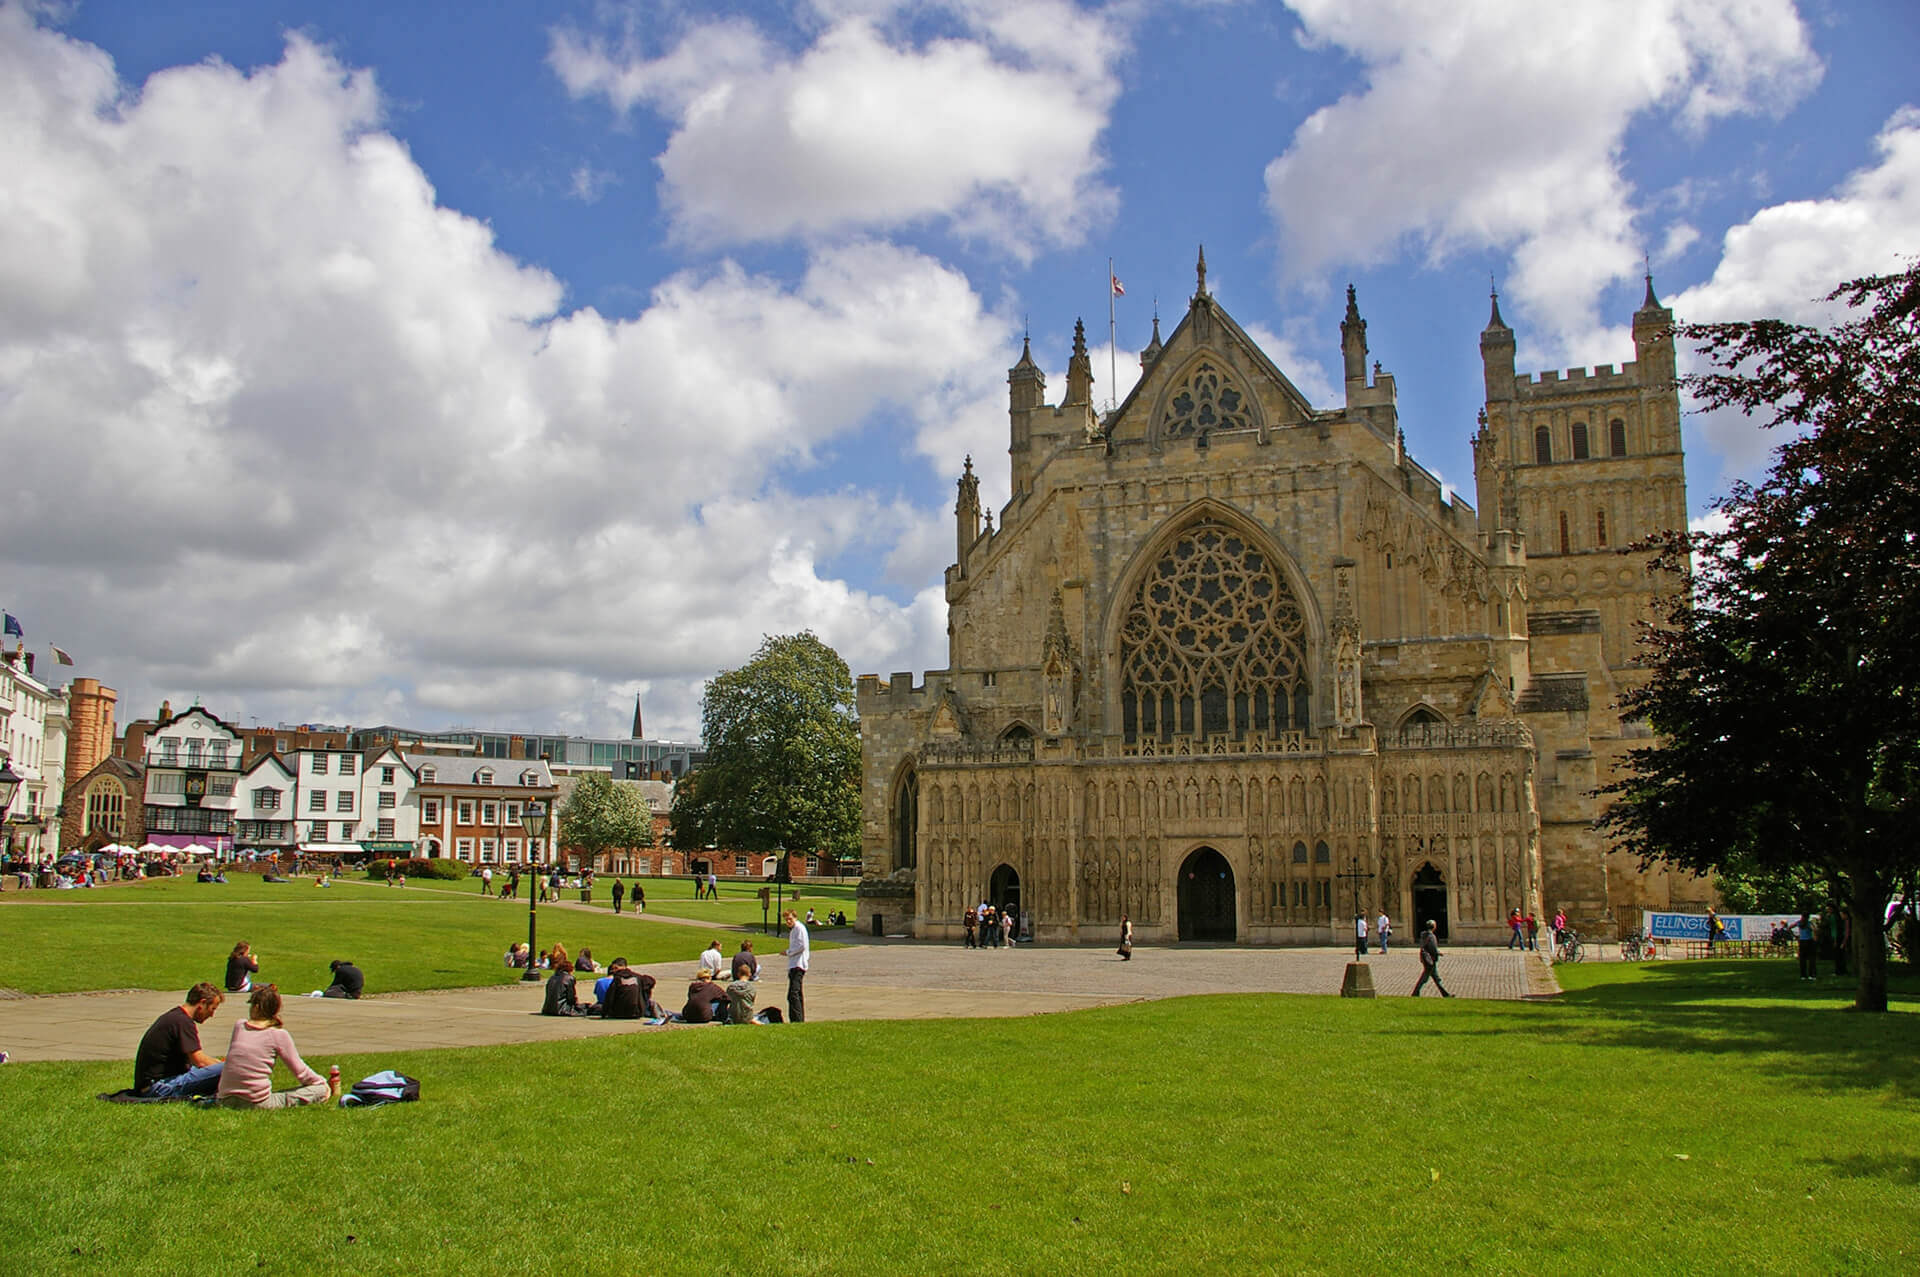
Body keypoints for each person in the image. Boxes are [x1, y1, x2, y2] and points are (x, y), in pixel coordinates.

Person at [215, 985, 336, 1109]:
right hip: (256, 1102)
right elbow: (301, 1072)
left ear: (256, 1007)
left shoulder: (239, 1026)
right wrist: (322, 1083)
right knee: (318, 1090)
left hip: (225, 1099)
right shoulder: (278, 1035)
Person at [133, 983, 226, 1098]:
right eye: (212, 1009)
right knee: (229, 1068)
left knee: (223, 1066)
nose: (212, 1015)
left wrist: (217, 1063)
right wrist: (226, 1066)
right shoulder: (183, 1022)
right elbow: (199, 1061)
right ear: (202, 1003)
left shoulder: (175, 1016)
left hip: (150, 1085)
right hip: (158, 1087)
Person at [1412, 920, 1453, 997]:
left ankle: (1445, 994)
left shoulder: (1423, 935)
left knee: (1435, 979)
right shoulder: (1431, 936)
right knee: (1426, 978)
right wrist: (1438, 953)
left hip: (1426, 959)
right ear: (1433, 927)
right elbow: (1433, 948)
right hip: (1430, 960)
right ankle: (1415, 992)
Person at [783, 909, 809, 1023]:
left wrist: (789, 952)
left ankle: (797, 1019)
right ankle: (797, 1018)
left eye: (790, 919)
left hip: (798, 964)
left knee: (793, 993)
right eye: (786, 919)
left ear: (795, 918)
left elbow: (801, 946)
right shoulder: (794, 930)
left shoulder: (799, 928)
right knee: (795, 993)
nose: (788, 921)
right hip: (793, 964)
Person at [1796, 912, 1817, 980]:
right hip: (1809, 941)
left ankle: (1803, 975)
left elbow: (1790, 927)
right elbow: (1814, 929)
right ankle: (1811, 974)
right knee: (1811, 958)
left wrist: (1796, 936)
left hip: (1802, 941)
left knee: (1802, 959)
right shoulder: (1809, 923)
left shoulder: (1799, 923)